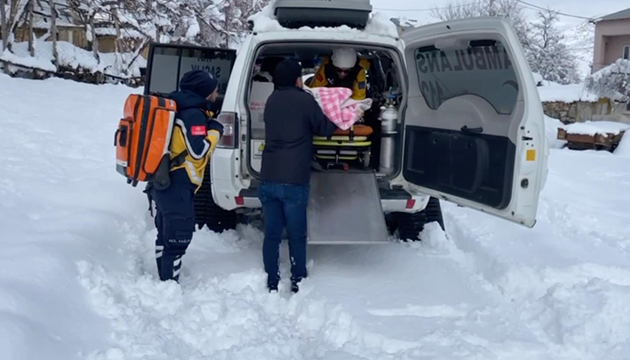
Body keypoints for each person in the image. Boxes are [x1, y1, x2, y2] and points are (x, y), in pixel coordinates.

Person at [259, 59, 337, 293]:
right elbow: (324, 128)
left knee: (271, 233)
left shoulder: (271, 100)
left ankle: (271, 280)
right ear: (297, 79)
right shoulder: (304, 100)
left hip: (268, 177)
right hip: (294, 179)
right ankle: (297, 278)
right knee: (296, 233)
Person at [147, 69, 224, 282]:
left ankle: (163, 281)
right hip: (178, 183)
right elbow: (198, 151)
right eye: (215, 91)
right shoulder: (193, 114)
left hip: (164, 181)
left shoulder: (178, 107)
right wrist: (216, 130)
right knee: (177, 239)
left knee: (165, 236)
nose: (216, 95)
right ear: (205, 92)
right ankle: (168, 285)